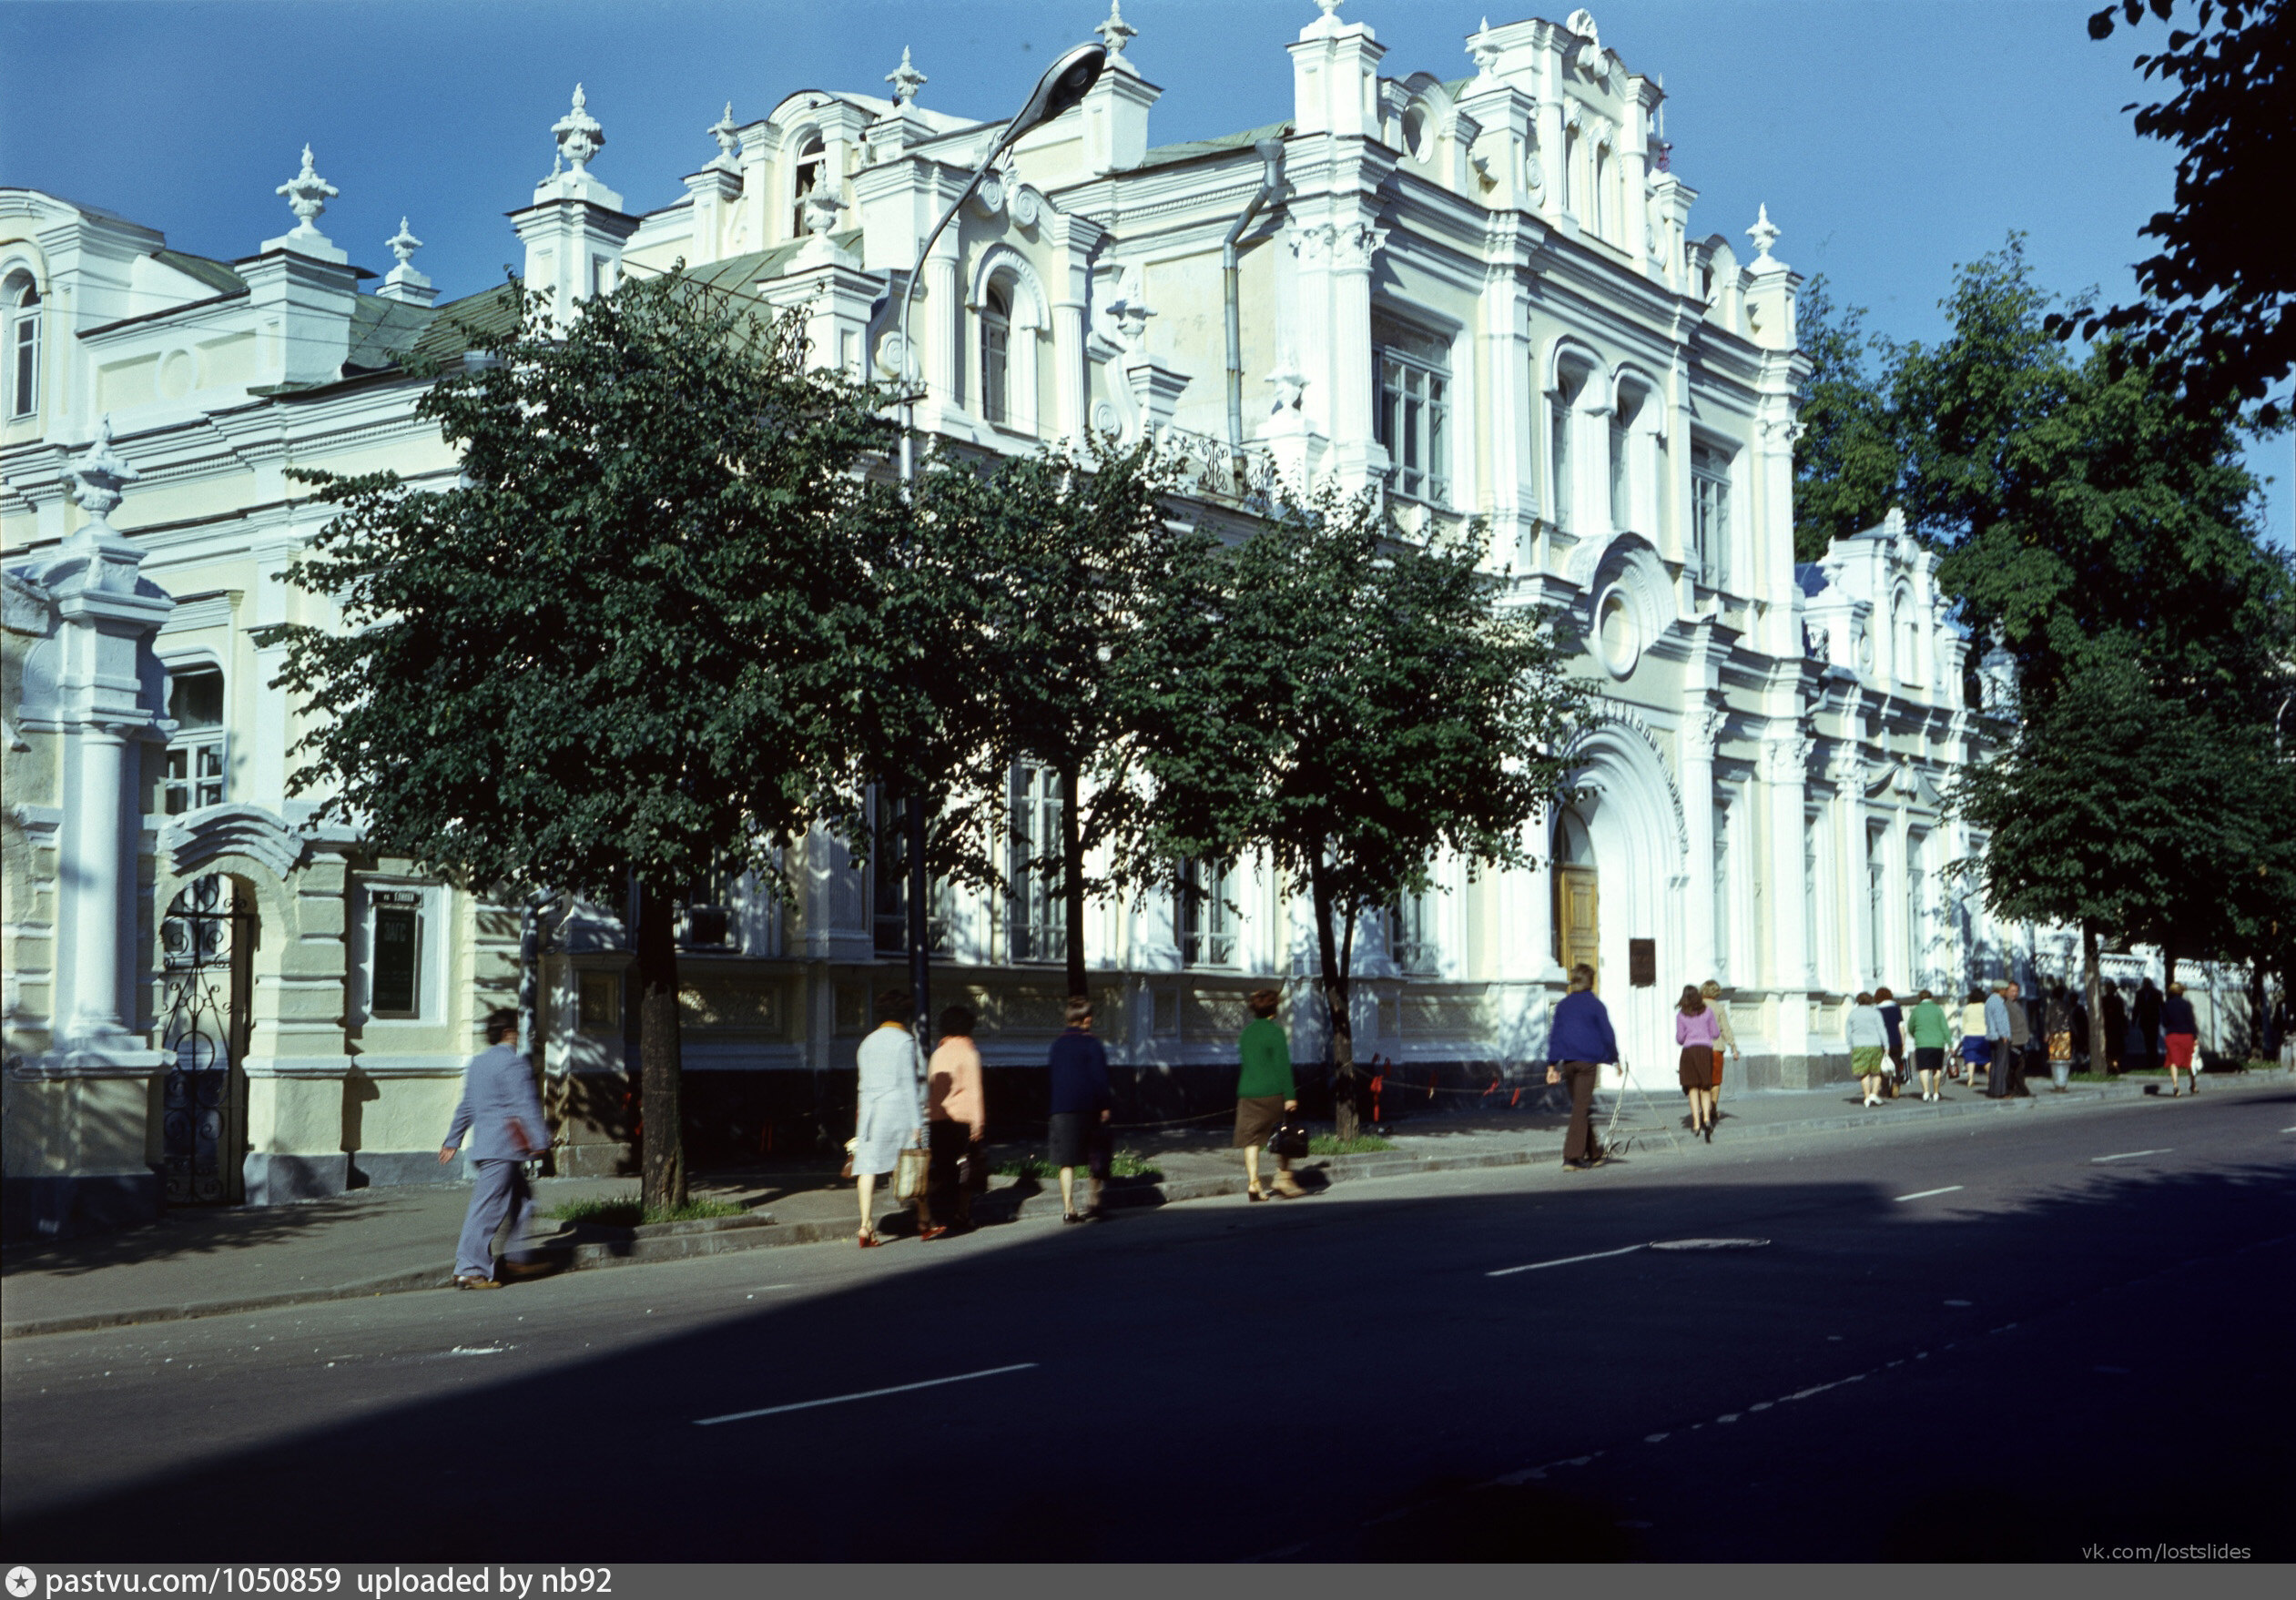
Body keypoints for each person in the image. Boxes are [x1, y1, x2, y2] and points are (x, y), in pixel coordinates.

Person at [440, 1008, 550, 1291]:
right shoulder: (512, 1064)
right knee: (487, 1209)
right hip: (504, 1148)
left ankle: (517, 1258)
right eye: (516, 1030)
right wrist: (539, 1141)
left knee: (523, 1199)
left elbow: (466, 1106)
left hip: (488, 1147)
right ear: (508, 1033)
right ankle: (469, 1269)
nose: (518, 1036)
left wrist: (453, 1140)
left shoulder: (478, 1063)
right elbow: (524, 1105)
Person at [852, 988, 924, 1249]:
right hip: (897, 1113)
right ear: (905, 1015)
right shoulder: (904, 1042)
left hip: (870, 1113)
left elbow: (862, 1086)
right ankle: (924, 1220)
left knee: (867, 1167)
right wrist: (918, 1124)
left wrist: (861, 1125)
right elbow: (908, 1086)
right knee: (916, 1164)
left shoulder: (867, 1042)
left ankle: (865, 1225)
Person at [919, 1004, 985, 1238]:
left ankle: (923, 1205)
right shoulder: (969, 1053)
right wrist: (978, 1124)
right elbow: (974, 1090)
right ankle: (962, 1213)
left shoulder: (937, 1053)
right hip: (963, 1121)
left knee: (943, 1168)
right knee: (967, 1168)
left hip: (937, 1119)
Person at [1047, 995, 1114, 1222]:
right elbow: (1100, 1078)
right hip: (1088, 1108)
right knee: (1096, 1154)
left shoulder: (1057, 1045)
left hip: (1061, 1109)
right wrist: (1105, 1106)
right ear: (1086, 1019)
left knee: (1067, 1161)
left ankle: (1069, 1208)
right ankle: (1095, 1202)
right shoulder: (1092, 1043)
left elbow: (1053, 1075)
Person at [1234, 988, 1305, 1201]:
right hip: (1272, 1093)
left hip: (1247, 1093)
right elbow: (1283, 1067)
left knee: (1251, 1139)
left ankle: (1254, 1183)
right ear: (1274, 1010)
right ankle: (1283, 1178)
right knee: (1284, 1134)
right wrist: (1290, 1096)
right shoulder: (1275, 1033)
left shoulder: (1246, 1033)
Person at [1545, 963, 1617, 1170]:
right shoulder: (1596, 1005)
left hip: (1568, 1063)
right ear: (1590, 982)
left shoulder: (1563, 1005)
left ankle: (1594, 1154)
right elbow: (1607, 1034)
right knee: (1580, 1107)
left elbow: (1555, 1036)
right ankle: (1571, 1156)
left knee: (1580, 1106)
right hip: (1587, 1064)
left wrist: (1551, 1066)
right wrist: (1614, 1058)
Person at [1676, 983, 1722, 1140]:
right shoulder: (1708, 1012)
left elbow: (1680, 1039)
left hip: (1689, 1052)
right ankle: (1707, 1119)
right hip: (1705, 1051)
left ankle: (1696, 1123)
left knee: (1692, 1088)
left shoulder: (1681, 1015)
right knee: (1705, 1087)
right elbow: (1715, 1033)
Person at [1700, 979, 1739, 1115]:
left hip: (1700, 1050)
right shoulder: (1719, 1008)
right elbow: (1726, 1030)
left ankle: (1704, 1109)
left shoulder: (1696, 1007)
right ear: (1716, 992)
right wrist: (1733, 1047)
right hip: (1716, 1049)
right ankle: (1713, 1107)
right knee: (1715, 1081)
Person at [1846, 991, 1889, 1107]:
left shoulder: (1852, 1014)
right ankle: (1874, 1094)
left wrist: (1851, 1046)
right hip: (1875, 1046)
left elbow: (1848, 1033)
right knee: (1876, 1072)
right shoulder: (1875, 1013)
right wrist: (1886, 1045)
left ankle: (1866, 1097)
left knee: (1863, 1073)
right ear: (1870, 1001)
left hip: (1859, 1046)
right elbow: (1882, 1030)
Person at [1907, 987, 1951, 1101]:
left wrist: (1916, 1035)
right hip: (1938, 1044)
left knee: (1924, 1069)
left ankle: (1926, 1092)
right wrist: (1950, 1044)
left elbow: (1910, 1027)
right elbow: (1945, 1028)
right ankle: (1936, 1092)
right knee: (1937, 1069)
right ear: (1931, 998)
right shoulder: (1938, 1009)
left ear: (1920, 999)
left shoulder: (1916, 1010)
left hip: (1922, 1044)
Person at [2161, 980, 2201, 1096]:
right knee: (2190, 1061)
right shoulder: (2186, 1004)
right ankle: (2193, 1085)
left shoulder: (2166, 1005)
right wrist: (2195, 1037)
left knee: (2173, 1061)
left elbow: (2164, 1022)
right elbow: (2191, 1021)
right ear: (2181, 992)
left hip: (2172, 1036)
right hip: (2186, 1036)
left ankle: (2175, 1086)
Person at [1983, 983, 2015, 1099]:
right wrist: (2004, 1035)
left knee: (1995, 1064)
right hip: (2000, 1037)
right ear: (2000, 990)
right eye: (2005, 989)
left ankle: (1993, 1089)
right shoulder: (1998, 1002)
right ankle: (2001, 1091)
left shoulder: (1989, 1001)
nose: (2006, 991)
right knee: (2002, 1065)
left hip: (1991, 1036)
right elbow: (2000, 1020)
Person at [1957, 987, 1993, 1088]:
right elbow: (1989, 1021)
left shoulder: (1967, 1008)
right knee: (1986, 1058)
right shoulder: (1985, 1007)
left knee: (1970, 1057)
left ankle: (1971, 1078)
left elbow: (1963, 1023)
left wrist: (1965, 1031)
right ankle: (1990, 1078)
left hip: (1969, 1035)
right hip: (1983, 1035)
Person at [2004, 981, 2034, 1097]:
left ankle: (2020, 1090)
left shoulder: (2017, 1004)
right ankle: (2016, 1090)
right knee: (2014, 1067)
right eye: (2012, 991)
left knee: (2019, 1067)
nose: (2014, 994)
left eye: (2016, 991)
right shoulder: (2006, 1005)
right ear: (2006, 991)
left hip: (2021, 1040)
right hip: (2014, 1040)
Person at [2045, 981, 2076, 1092]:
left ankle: (2058, 1082)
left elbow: (2047, 1021)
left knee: (2055, 1058)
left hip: (2054, 1034)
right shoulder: (2066, 1005)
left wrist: (2046, 1033)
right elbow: (2070, 1020)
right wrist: (2075, 1032)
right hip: (2065, 1034)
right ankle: (2062, 1082)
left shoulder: (2051, 1005)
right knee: (2064, 1058)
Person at [1876, 986, 1906, 1095]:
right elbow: (1901, 1026)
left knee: (1884, 1065)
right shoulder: (1896, 1008)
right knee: (1896, 1065)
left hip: (1882, 1042)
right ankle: (1895, 1085)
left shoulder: (1877, 1010)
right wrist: (1903, 1043)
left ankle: (1884, 1089)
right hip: (1896, 1041)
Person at [2134, 977, 2165, 1075]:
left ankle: (2154, 1061)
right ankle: (2149, 1060)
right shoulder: (2139, 993)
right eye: (2145, 983)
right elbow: (2137, 1007)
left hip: (2154, 1021)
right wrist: (2134, 1020)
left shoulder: (2157, 993)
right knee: (2147, 1041)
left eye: (2148, 983)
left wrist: (2165, 1018)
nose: (2146, 985)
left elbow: (2162, 1006)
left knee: (2153, 1041)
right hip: (2144, 1021)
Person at [2102, 982, 2128, 1075]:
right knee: (2113, 1049)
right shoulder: (2107, 1000)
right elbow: (2122, 1015)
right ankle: (2113, 1066)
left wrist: (2125, 1026)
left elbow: (2121, 1015)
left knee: (2113, 1049)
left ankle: (2112, 1066)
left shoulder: (2114, 1001)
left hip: (2112, 1028)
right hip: (2112, 1028)